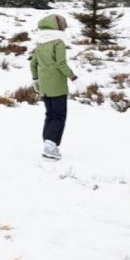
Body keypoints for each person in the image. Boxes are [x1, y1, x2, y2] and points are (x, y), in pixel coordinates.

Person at [29, 13, 77, 160]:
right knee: (59, 115)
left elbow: (33, 64)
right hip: (57, 85)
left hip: (44, 85)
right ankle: (50, 147)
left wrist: (36, 80)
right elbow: (61, 64)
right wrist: (74, 77)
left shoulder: (40, 42)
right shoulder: (58, 42)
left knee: (50, 115)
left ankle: (48, 145)